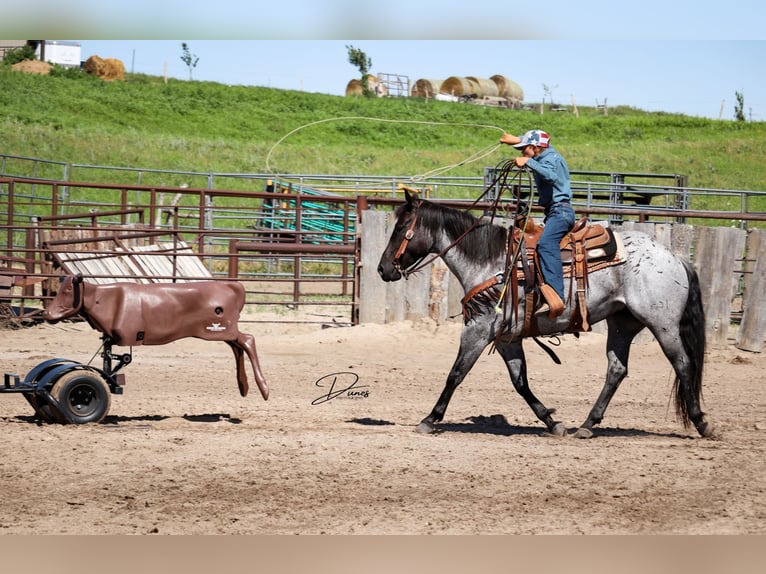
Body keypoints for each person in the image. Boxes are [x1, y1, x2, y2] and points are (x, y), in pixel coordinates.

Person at [499, 129, 575, 318]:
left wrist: (529, 161)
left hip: (560, 212)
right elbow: (538, 145)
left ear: (534, 148)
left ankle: (556, 297)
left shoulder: (550, 159)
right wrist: (518, 141)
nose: (522, 153)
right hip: (554, 212)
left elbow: (551, 176)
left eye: (524, 149)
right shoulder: (546, 154)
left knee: (546, 245)